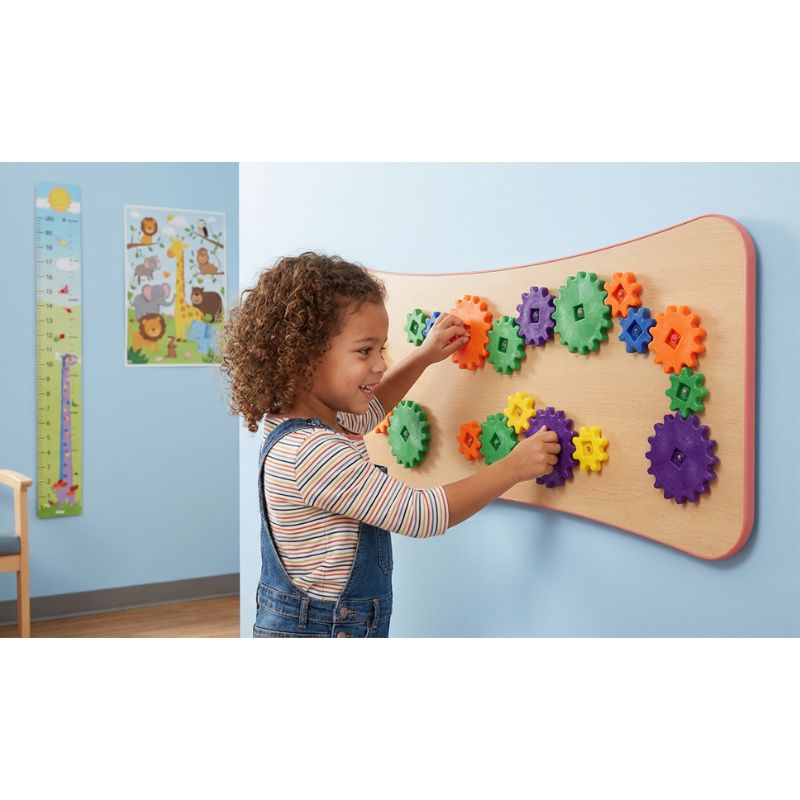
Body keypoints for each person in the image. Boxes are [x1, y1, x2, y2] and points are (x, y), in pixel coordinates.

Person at [221, 252, 560, 638]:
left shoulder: (309, 419)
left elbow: (370, 411)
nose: (380, 364)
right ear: (303, 358)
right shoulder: (311, 452)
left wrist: (424, 356)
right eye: (365, 351)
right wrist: (513, 468)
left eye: (380, 349)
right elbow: (420, 514)